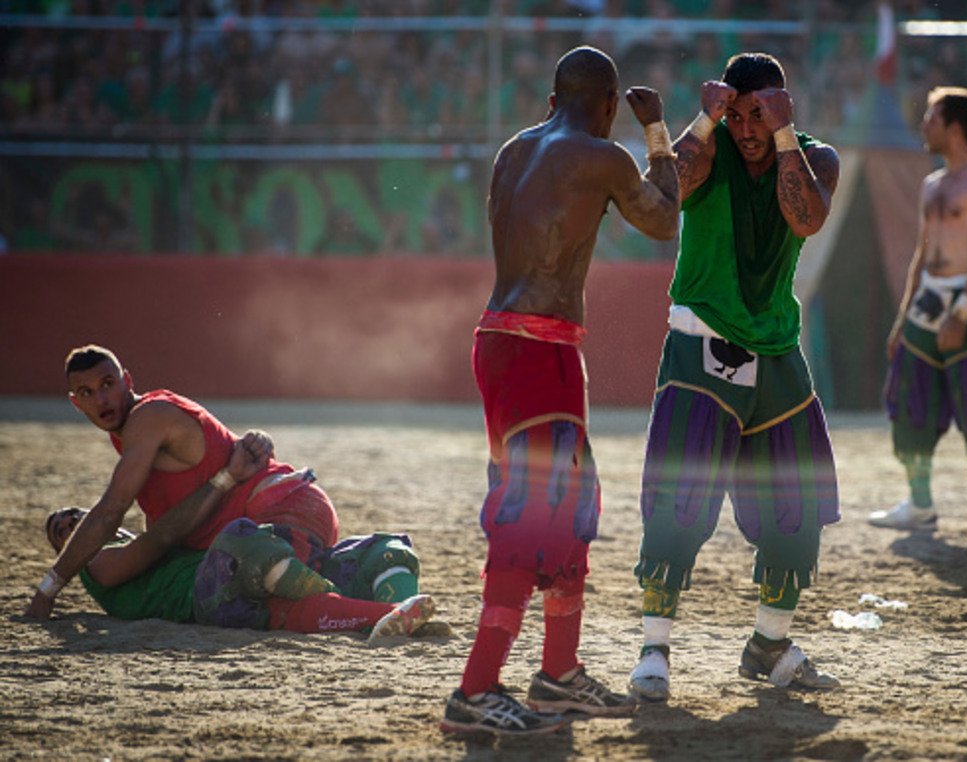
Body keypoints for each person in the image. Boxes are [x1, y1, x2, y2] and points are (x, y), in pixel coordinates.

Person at [440, 45, 679, 736]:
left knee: (568, 505)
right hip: (537, 349)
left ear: (553, 98)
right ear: (608, 106)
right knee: (534, 513)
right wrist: (657, 131)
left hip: (506, 340)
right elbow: (664, 218)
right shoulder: (603, 155)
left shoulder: (515, 150)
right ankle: (476, 689)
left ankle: (558, 676)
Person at [627, 52, 842, 704]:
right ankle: (654, 650)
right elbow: (666, 195)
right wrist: (702, 119)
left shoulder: (814, 156)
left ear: (781, 106)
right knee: (678, 504)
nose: (746, 127)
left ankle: (770, 645)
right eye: (739, 113)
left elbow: (804, 217)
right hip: (701, 348)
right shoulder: (712, 144)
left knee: (797, 507)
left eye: (760, 114)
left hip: (777, 352)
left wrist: (781, 136)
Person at [26, 344, 341, 619]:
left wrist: (48, 590)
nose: (102, 399)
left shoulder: (147, 419)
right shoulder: (131, 435)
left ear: (128, 381)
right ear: (76, 403)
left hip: (283, 513)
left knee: (292, 609)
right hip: (281, 523)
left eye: (108, 384)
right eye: (87, 393)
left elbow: (111, 511)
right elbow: (168, 531)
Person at [868, 86, 967, 538]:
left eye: (931, 118)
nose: (923, 125)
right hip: (928, 301)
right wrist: (903, 318)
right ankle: (920, 503)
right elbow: (922, 253)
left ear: (954, 126)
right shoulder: (932, 184)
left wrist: (964, 310)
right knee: (910, 399)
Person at [44, 503, 437, 639]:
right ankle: (382, 616)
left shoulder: (146, 537)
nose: (72, 524)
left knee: (384, 550)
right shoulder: (94, 565)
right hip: (209, 598)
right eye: (63, 532)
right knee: (241, 539)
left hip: (253, 575)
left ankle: (402, 613)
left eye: (75, 516)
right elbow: (157, 541)